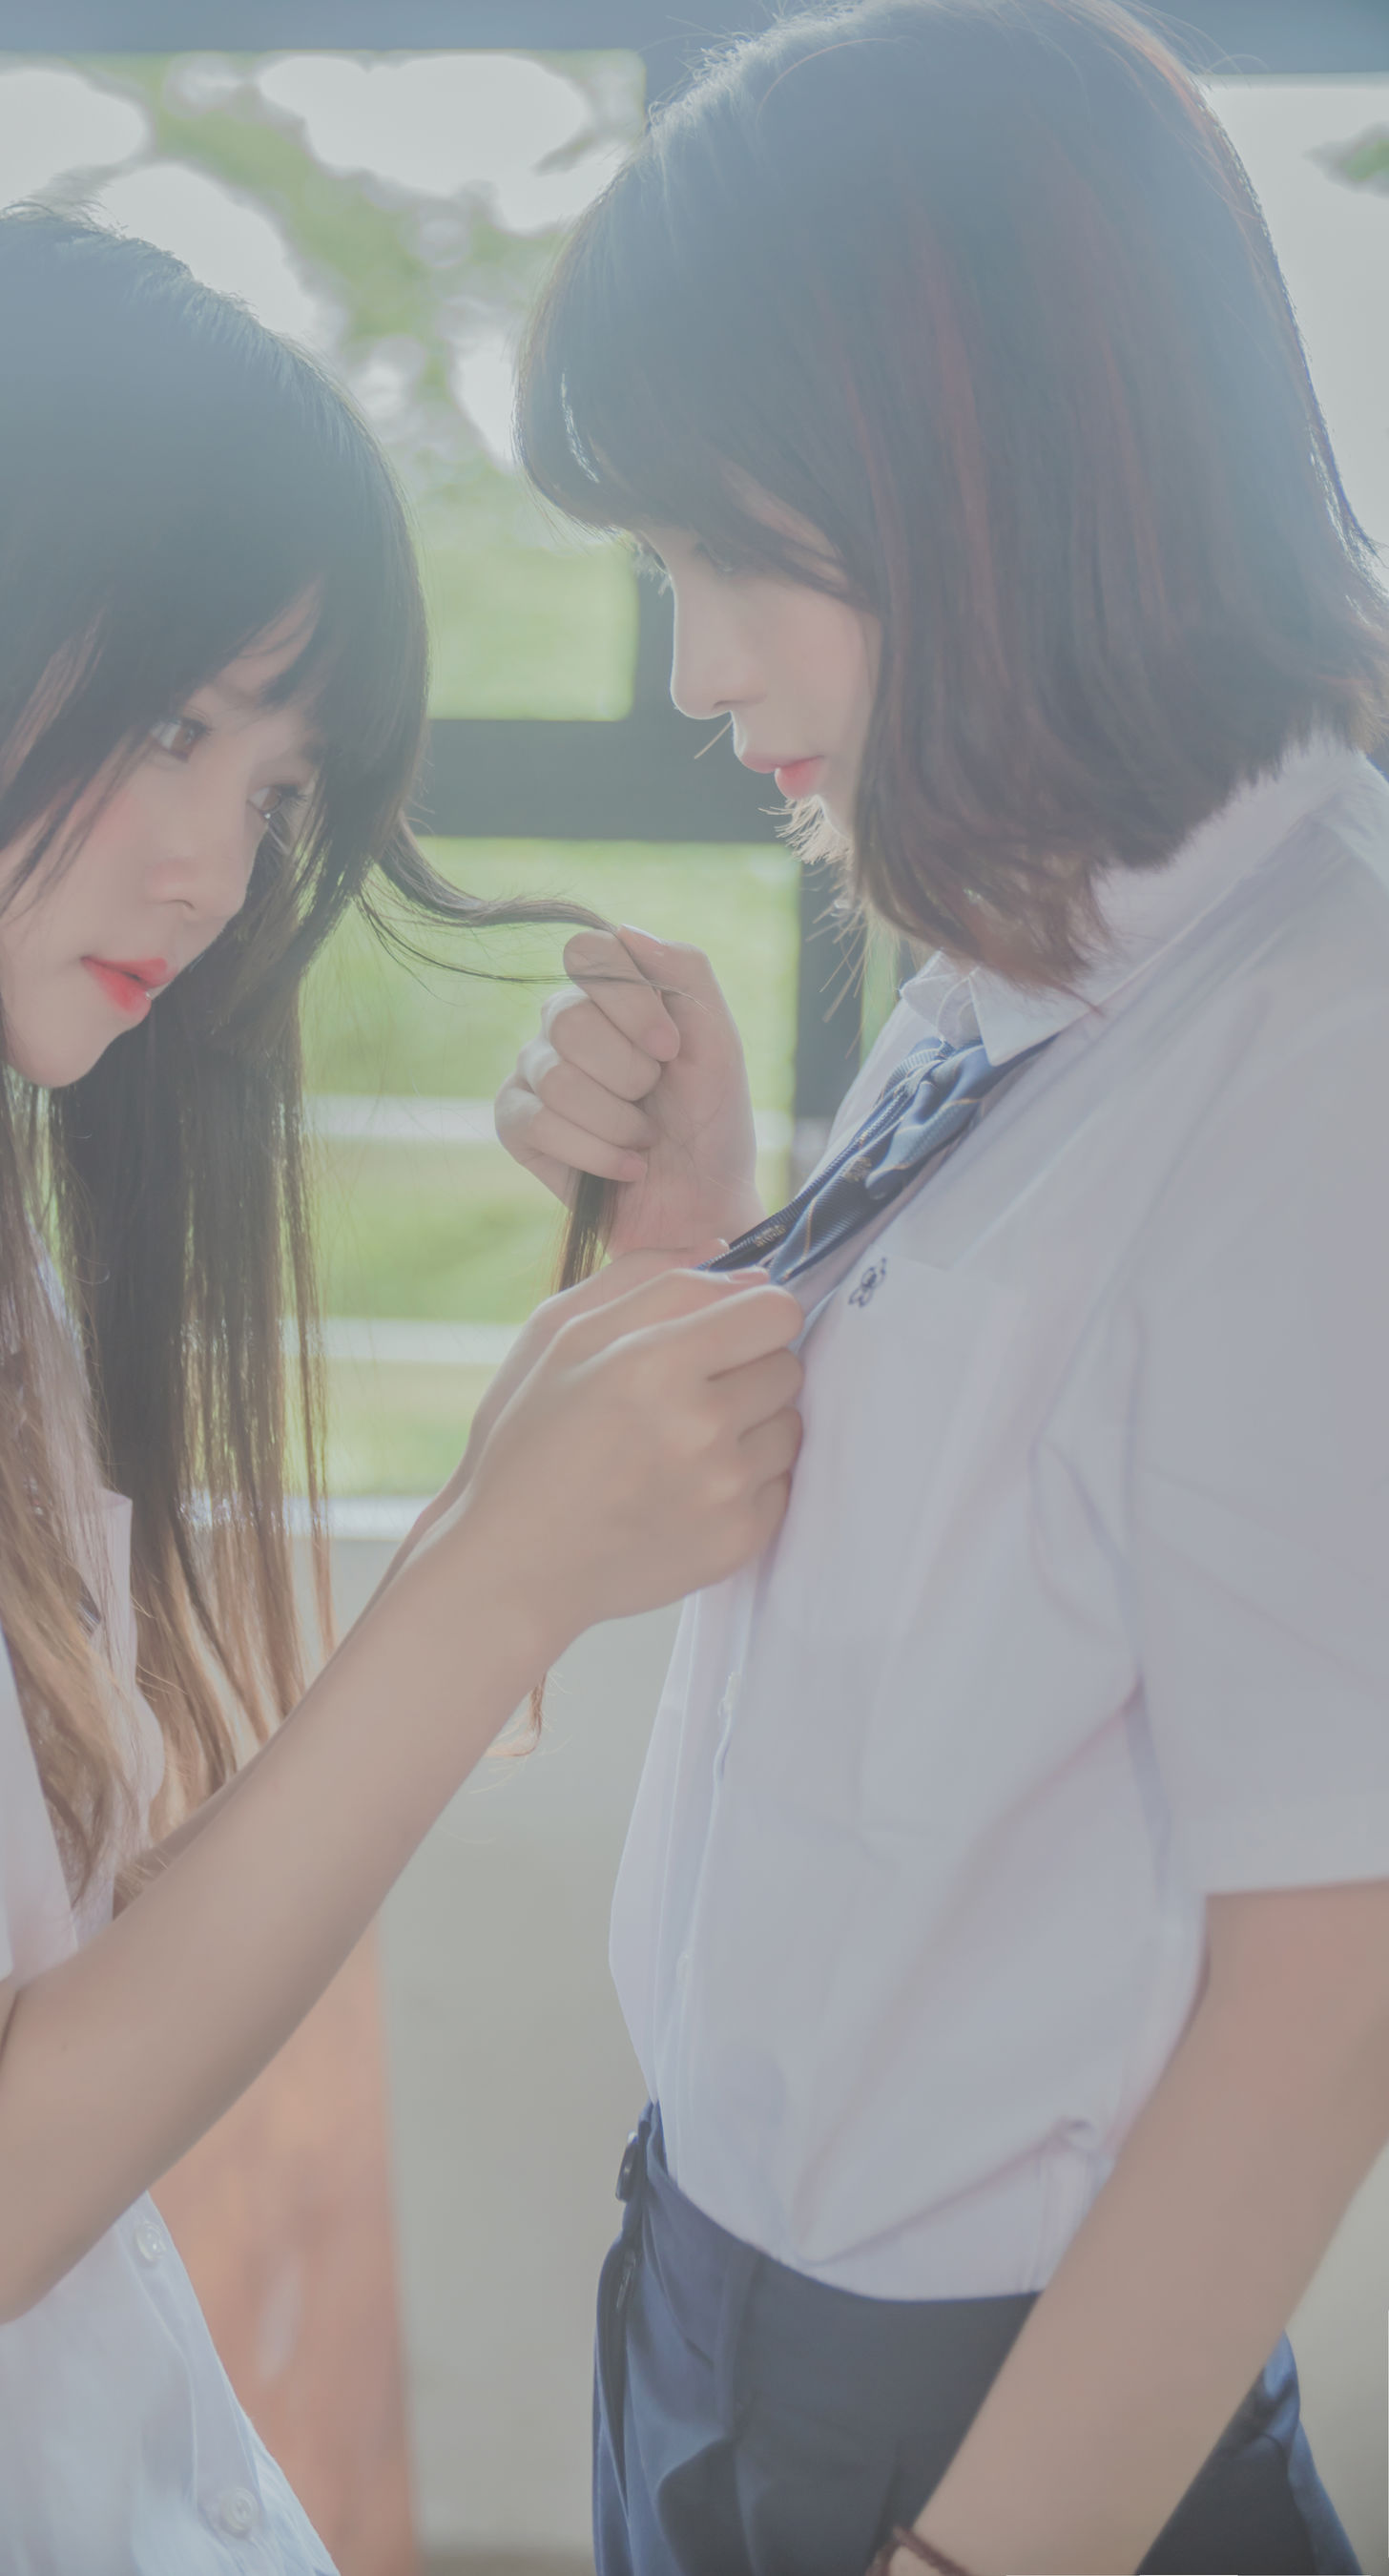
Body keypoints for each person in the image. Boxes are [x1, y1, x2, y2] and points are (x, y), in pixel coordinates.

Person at [0, 208, 807, 2576]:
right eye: (176, 724)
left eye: (280, 787)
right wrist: (495, 1580)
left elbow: (77, 1969)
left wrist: (553, 1447)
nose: (212, 869)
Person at [496, 4, 1389, 2569]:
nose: (697, 672)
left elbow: (1332, 1976)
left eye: (734, 557)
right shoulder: (1033, 922)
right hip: (719, 2300)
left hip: (983, 2437)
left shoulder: (1319, 1038)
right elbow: (977, 1589)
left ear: (1001, 471)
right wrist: (704, 1245)